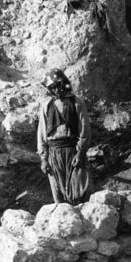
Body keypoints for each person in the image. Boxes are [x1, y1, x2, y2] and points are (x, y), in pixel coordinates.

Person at [36, 69, 91, 204]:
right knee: (58, 192)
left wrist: (80, 153)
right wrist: (44, 159)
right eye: (52, 87)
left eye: (58, 85)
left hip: (73, 152)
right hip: (54, 154)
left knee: (80, 190)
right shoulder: (46, 106)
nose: (56, 90)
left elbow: (85, 130)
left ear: (64, 83)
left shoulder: (77, 103)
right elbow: (42, 134)